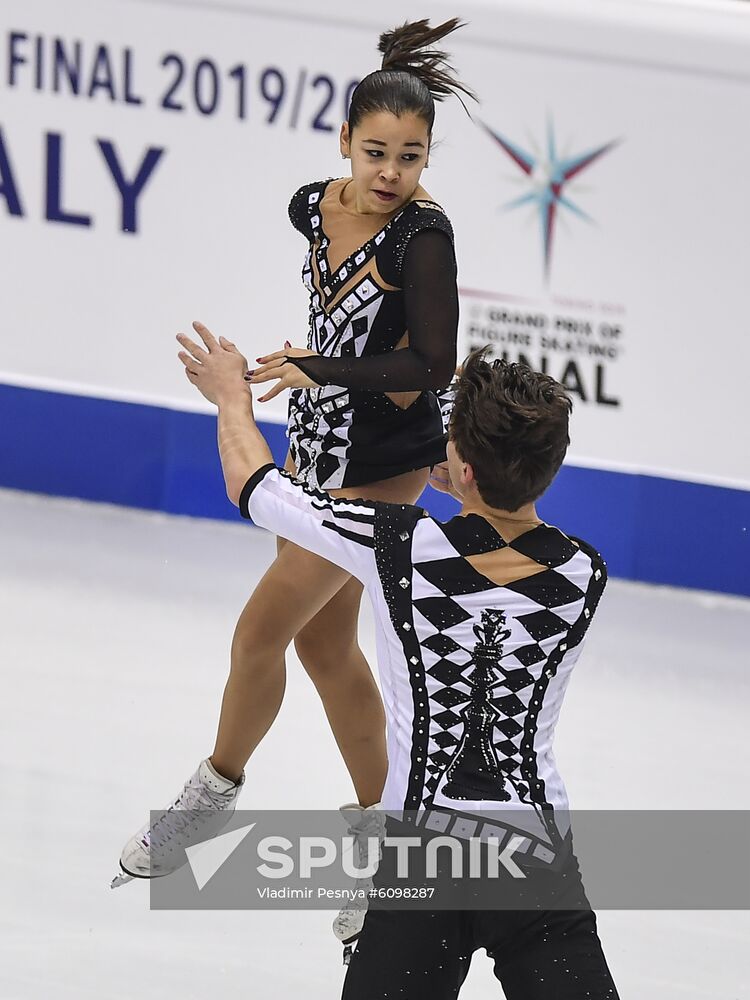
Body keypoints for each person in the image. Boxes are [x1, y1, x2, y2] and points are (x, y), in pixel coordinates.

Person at [114, 17, 474, 944]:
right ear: (344, 142)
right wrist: (309, 377)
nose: (393, 171)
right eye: (377, 150)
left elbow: (433, 364)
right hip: (316, 442)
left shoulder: (424, 242)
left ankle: (216, 788)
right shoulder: (310, 205)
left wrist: (323, 369)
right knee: (324, 652)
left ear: (429, 156)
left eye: (412, 155)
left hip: (386, 464)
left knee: (260, 629)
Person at [170, 327, 620, 999]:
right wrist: (466, 474)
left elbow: (255, 485)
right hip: (535, 863)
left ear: (461, 466)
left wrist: (232, 393)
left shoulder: (399, 547)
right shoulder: (585, 572)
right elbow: (495, 529)